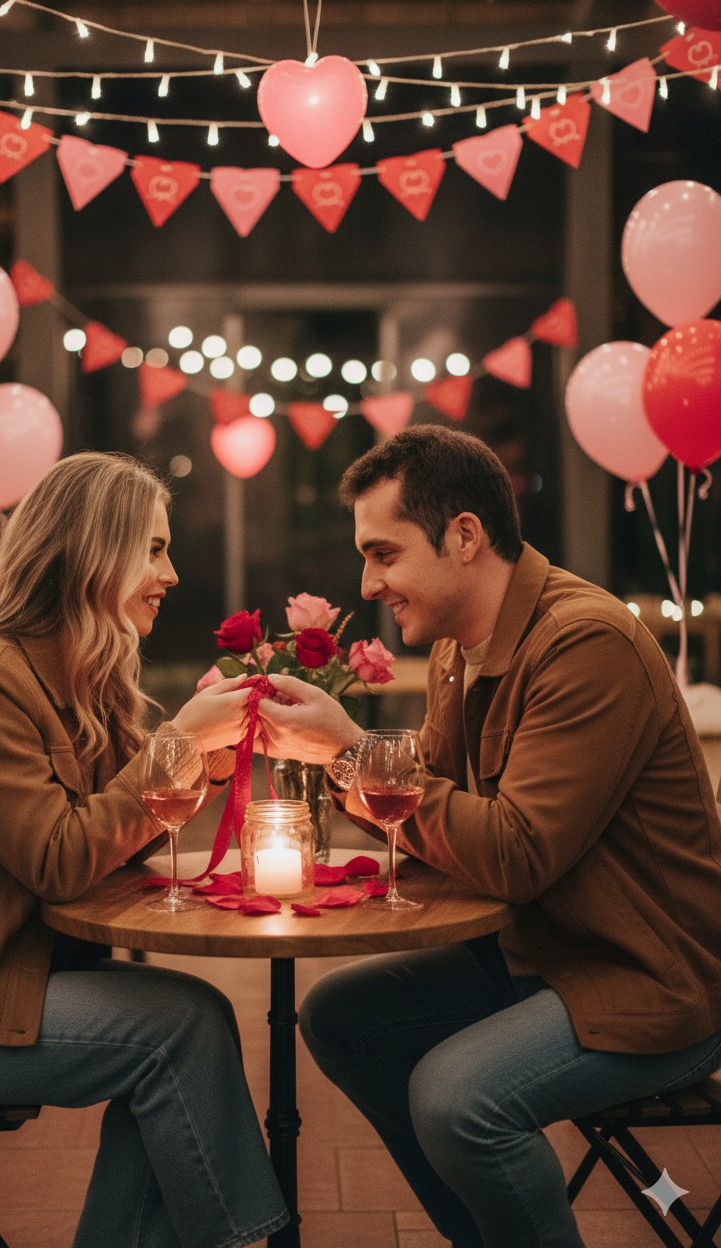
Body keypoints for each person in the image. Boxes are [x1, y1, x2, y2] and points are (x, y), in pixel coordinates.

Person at [257, 425, 721, 1248]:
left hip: (652, 976)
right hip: (544, 948)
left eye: (384, 554)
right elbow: (426, 814)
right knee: (338, 1017)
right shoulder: (456, 651)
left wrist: (350, 750)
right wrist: (328, 766)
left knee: (455, 1097)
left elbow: (513, 852)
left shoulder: (586, 642)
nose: (369, 584)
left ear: (464, 535)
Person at [0, 451, 289, 1248]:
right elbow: (61, 859)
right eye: (152, 548)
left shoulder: (78, 677)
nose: (170, 573)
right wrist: (177, 741)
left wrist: (204, 760)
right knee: (180, 1029)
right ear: (87, 553)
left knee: (179, 1035)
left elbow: (120, 838)